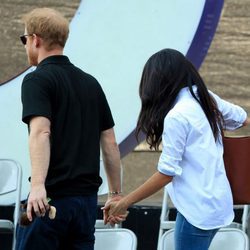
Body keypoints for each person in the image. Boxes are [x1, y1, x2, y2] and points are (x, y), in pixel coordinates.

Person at [103, 48, 249, 250]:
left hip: (195, 211)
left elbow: (166, 173)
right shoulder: (204, 98)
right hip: (217, 204)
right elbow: (241, 118)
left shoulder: (177, 116)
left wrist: (125, 201)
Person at [16, 7, 125, 250]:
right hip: (85, 205)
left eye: (24, 39)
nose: (25, 45)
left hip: (51, 200)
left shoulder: (37, 80)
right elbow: (110, 143)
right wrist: (115, 194)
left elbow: (41, 132)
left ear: (35, 40)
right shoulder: (90, 83)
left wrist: (37, 186)